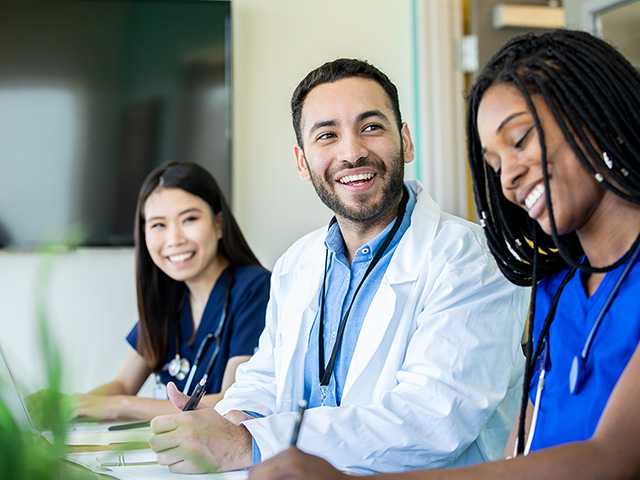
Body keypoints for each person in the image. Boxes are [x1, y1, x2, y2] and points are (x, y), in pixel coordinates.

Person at [250, 30, 640, 480]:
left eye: (520, 140)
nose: (509, 176)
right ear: (302, 160)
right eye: (493, 163)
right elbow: (523, 455)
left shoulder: (467, 259)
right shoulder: (559, 290)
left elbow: (610, 458)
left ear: (599, 113)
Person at [148, 59, 528, 474]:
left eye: (371, 127)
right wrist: (227, 421)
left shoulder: (469, 257)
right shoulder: (297, 263)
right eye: (327, 135)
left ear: (406, 141)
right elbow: (266, 378)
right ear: (302, 161)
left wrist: (248, 443)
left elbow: (432, 421)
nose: (352, 152)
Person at [74, 162, 270, 421]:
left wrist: (119, 405)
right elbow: (122, 385)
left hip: (223, 457)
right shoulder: (168, 296)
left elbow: (230, 400)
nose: (174, 239)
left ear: (219, 224)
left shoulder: (255, 288)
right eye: (158, 225)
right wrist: (72, 407)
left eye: (189, 219)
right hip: (167, 451)